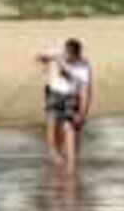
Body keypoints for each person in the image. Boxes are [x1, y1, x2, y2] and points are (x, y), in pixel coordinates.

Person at [38, 38, 92, 168]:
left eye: (73, 56)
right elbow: (39, 57)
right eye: (68, 54)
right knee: (53, 123)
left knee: (71, 128)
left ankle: (71, 165)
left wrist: (82, 113)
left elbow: (85, 90)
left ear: (78, 54)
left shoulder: (83, 66)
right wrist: (48, 58)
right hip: (54, 92)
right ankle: (53, 150)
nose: (70, 58)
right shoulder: (57, 54)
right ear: (65, 50)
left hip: (71, 96)